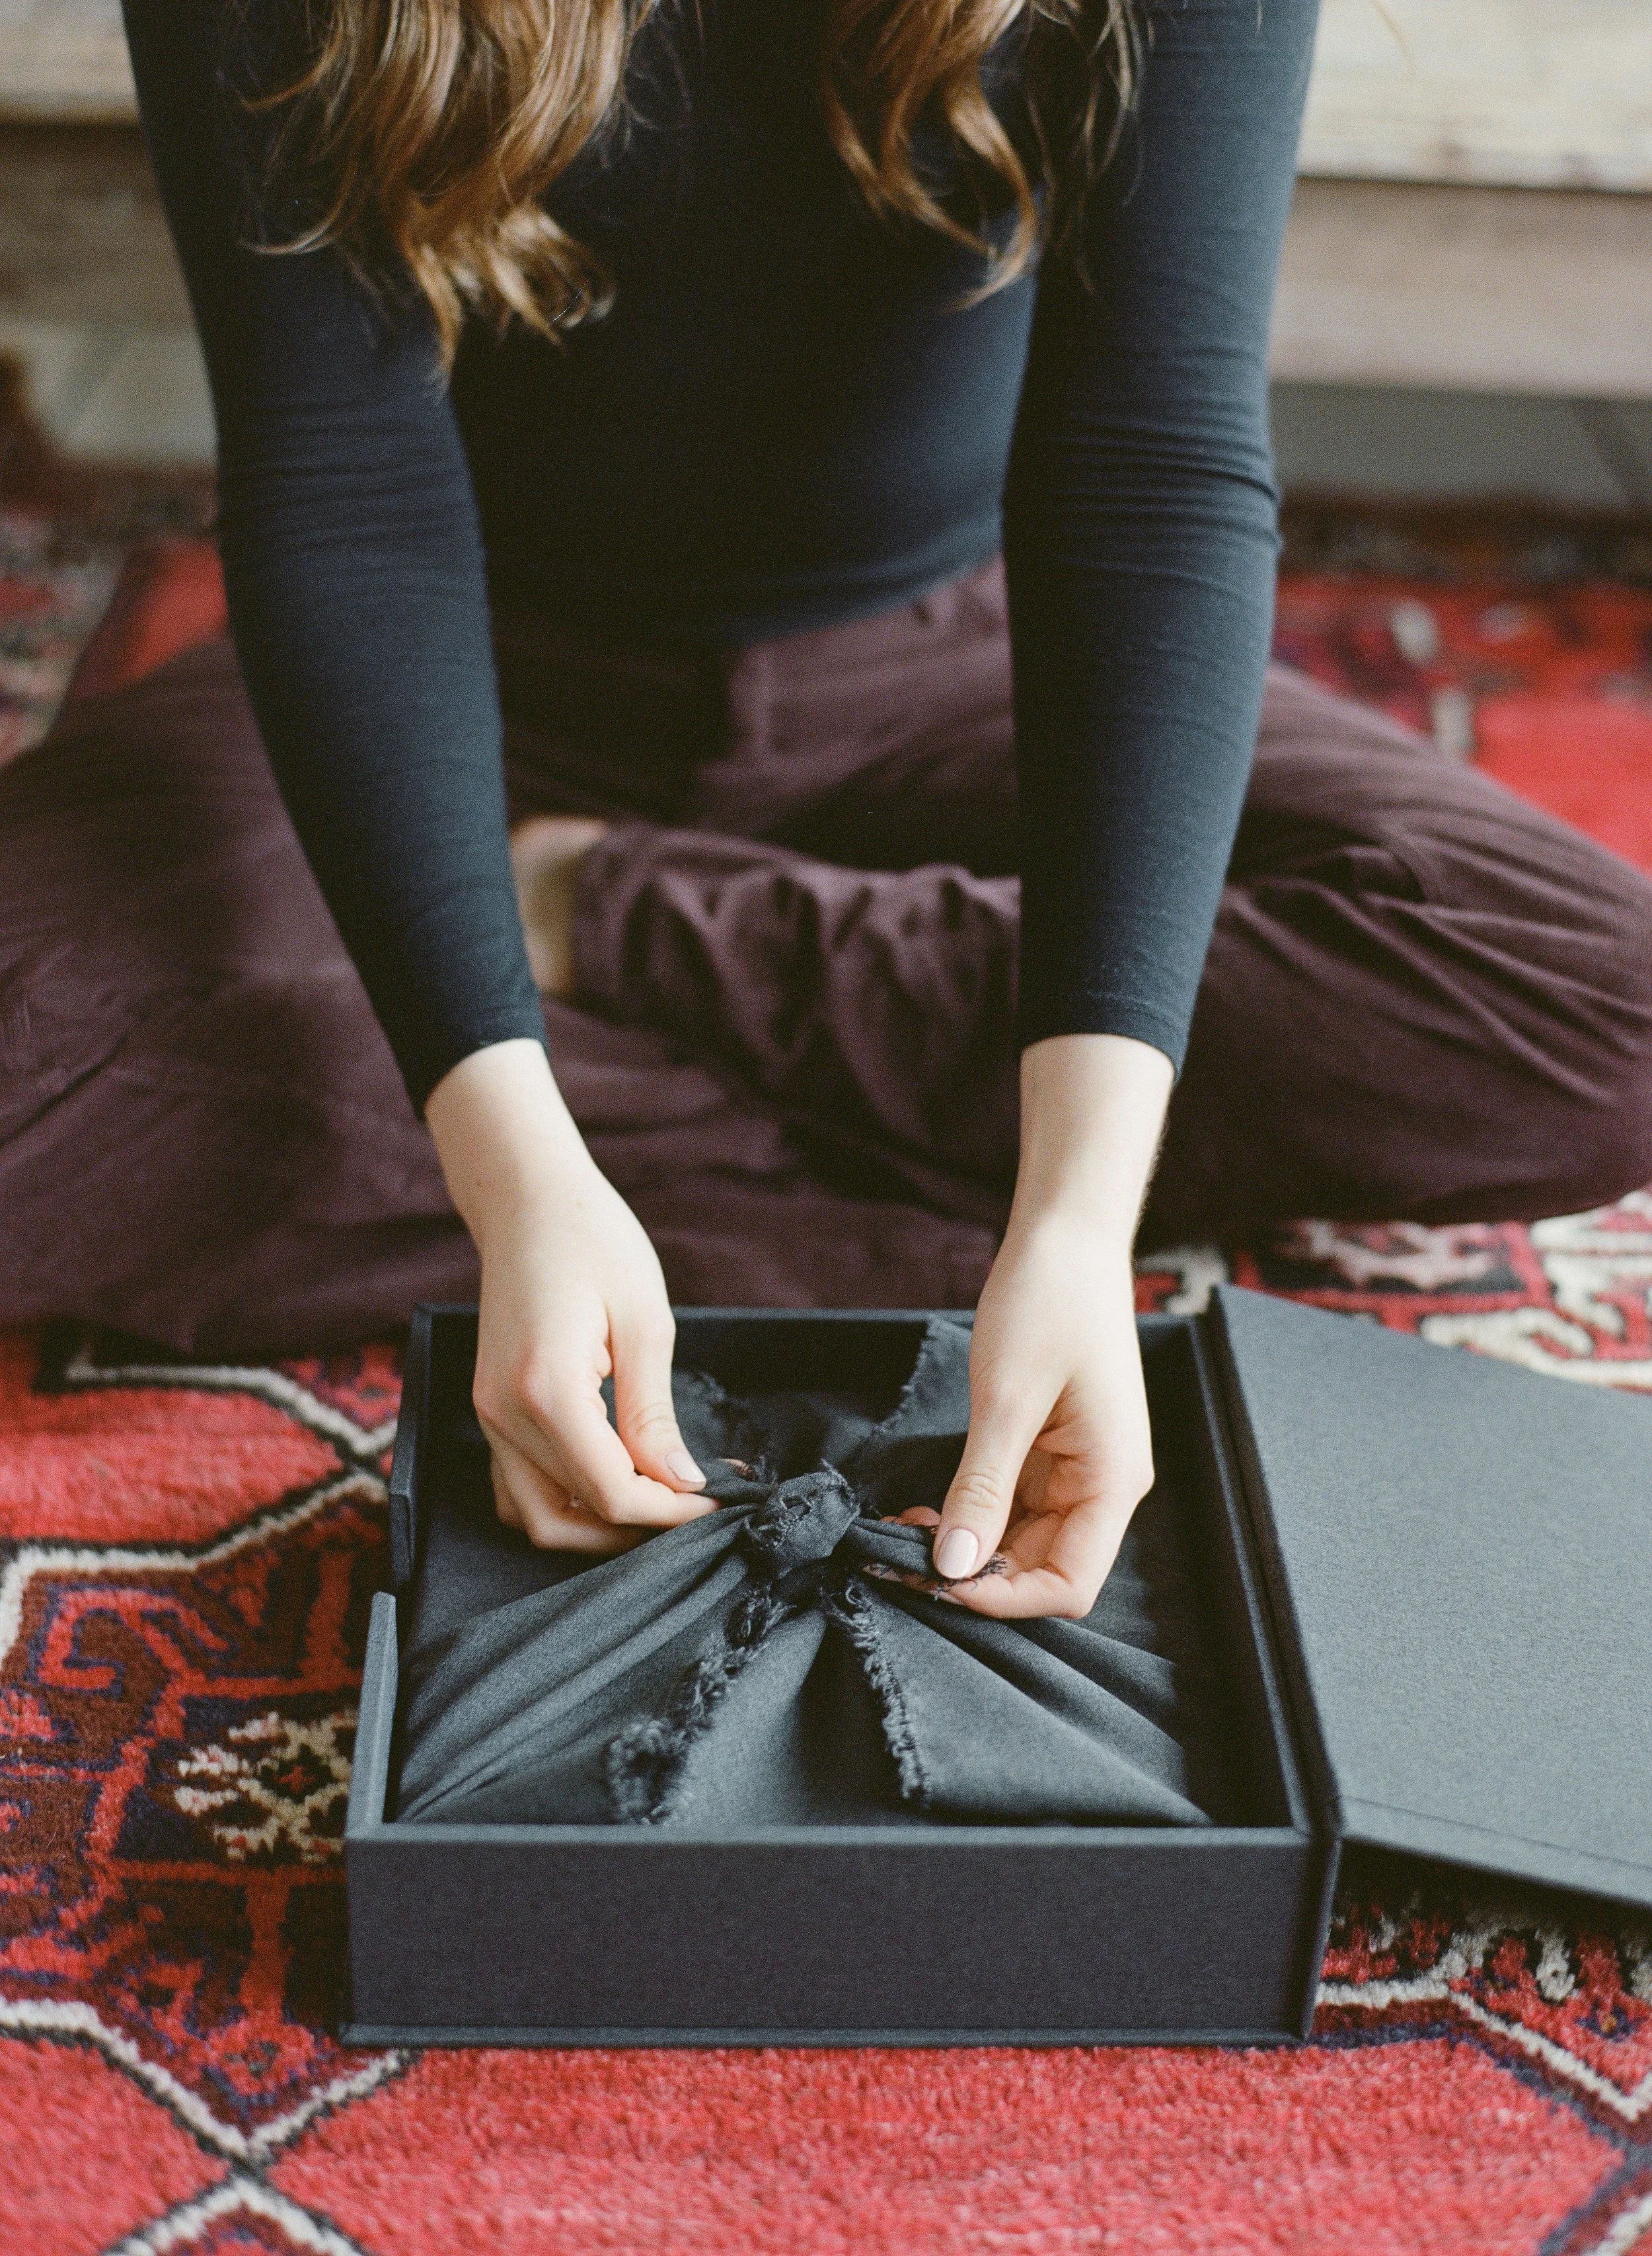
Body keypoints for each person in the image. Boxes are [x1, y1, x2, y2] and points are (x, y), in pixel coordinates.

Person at [3, 0, 1649, 1621]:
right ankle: (831, 1149)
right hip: (460, 679)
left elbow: (1148, 460)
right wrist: (509, 1165)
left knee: (1602, 1012)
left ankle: (610, 927)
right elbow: (342, 485)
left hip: (954, 667)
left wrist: (1077, 1215)